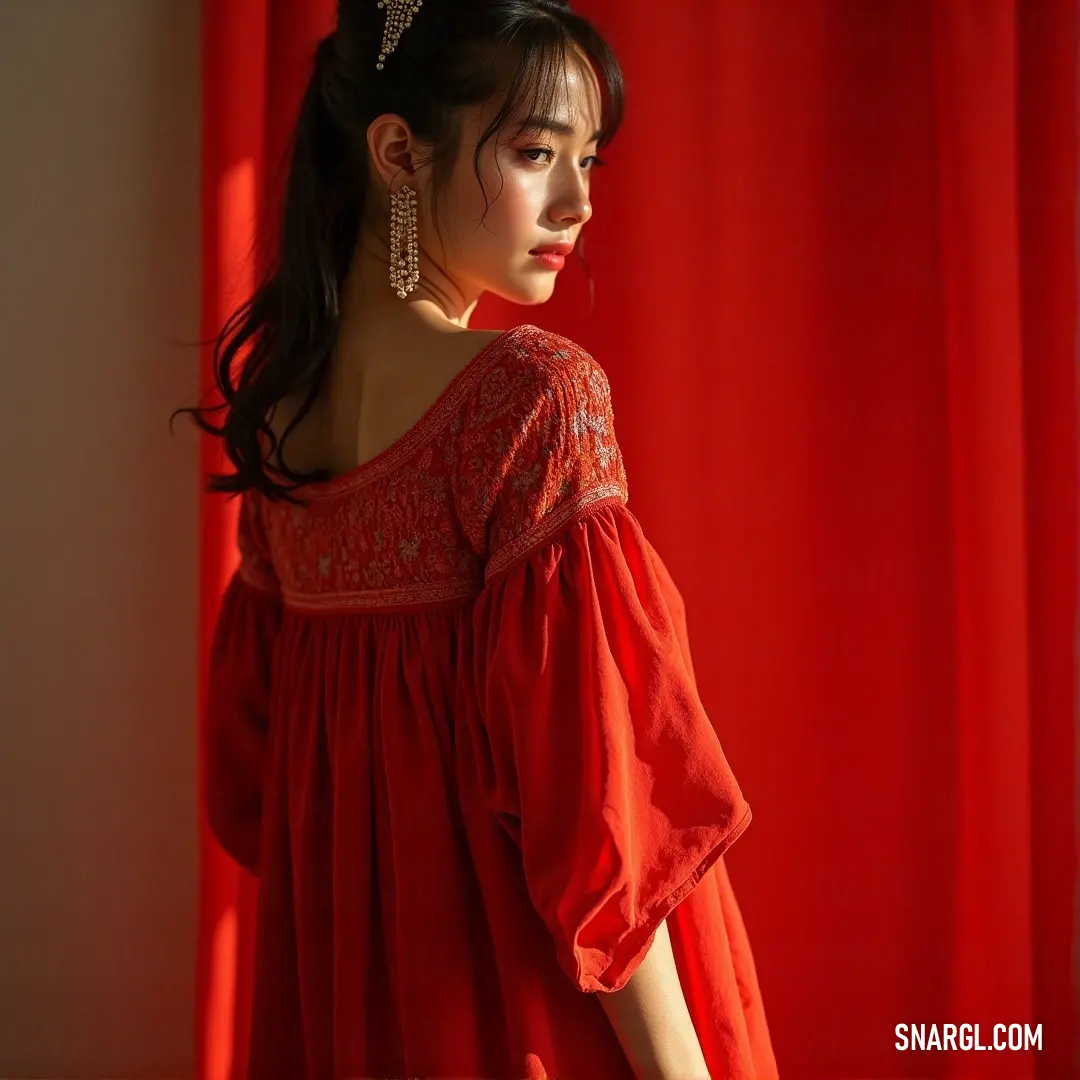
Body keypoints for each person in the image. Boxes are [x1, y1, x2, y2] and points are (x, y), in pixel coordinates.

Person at [179, 1, 778, 1077]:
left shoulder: (277, 422)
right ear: (400, 151)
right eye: (537, 152)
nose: (580, 200)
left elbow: (250, 788)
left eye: (588, 158)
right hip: (527, 1019)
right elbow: (602, 820)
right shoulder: (530, 399)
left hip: (351, 1016)